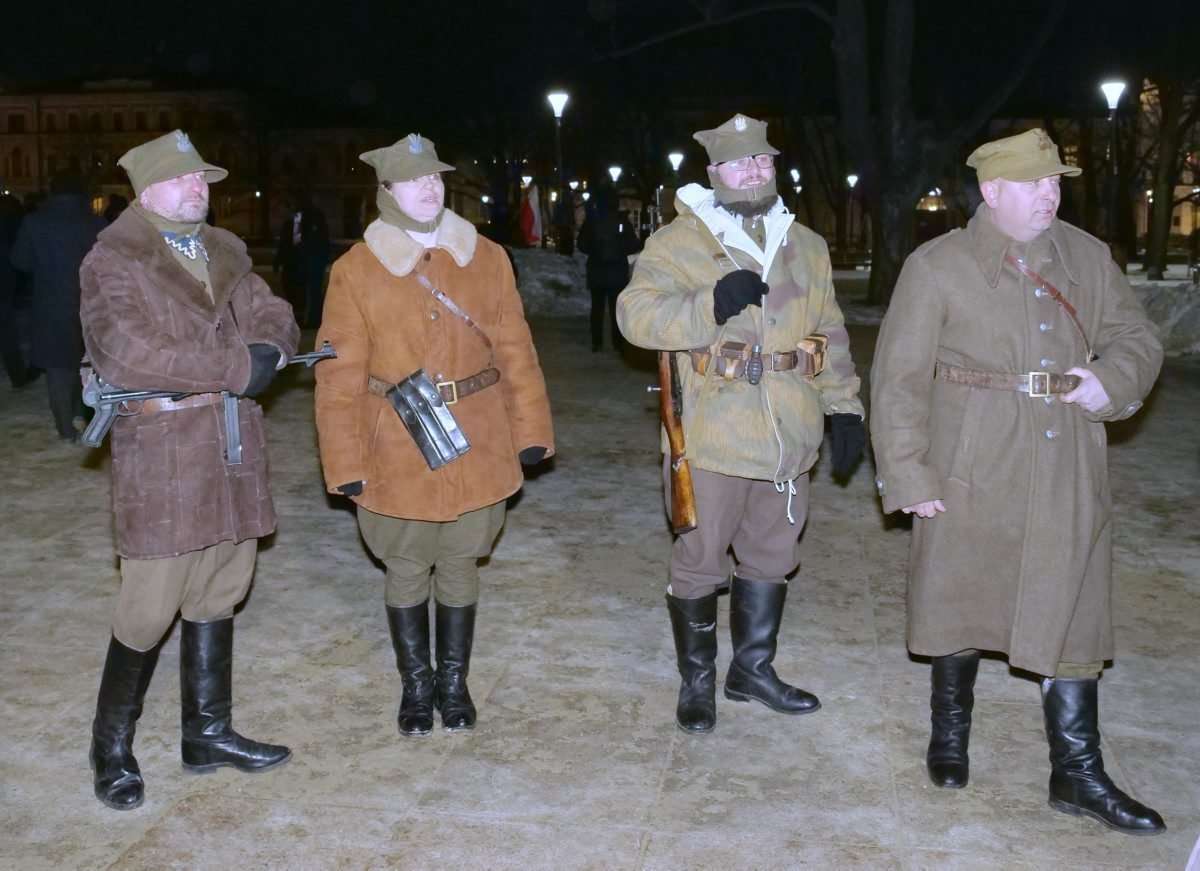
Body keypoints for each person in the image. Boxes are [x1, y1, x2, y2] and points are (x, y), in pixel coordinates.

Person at [870, 128, 1165, 834]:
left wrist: (1112, 381)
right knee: (962, 598)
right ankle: (949, 731)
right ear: (993, 191)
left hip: (1064, 460)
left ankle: (1078, 771)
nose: (1050, 194)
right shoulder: (937, 267)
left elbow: (1137, 338)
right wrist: (909, 472)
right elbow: (898, 380)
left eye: (1055, 181)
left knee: (1075, 610)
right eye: (1034, 183)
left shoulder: (1086, 258)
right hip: (971, 459)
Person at [616, 114, 867, 734]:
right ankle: (697, 682)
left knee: (773, 555)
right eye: (739, 162)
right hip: (714, 433)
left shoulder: (805, 244)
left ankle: (751, 670)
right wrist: (710, 304)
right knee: (700, 559)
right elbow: (634, 316)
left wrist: (843, 405)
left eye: (763, 160)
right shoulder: (679, 243)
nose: (753, 170)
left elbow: (827, 331)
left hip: (789, 432)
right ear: (714, 173)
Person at [79, 130, 300, 811]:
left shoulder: (226, 251)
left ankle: (206, 732)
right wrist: (238, 366)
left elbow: (274, 312)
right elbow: (124, 349)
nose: (199, 187)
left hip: (231, 445)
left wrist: (270, 345)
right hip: (166, 449)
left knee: (222, 584)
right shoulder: (112, 260)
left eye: (203, 177)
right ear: (146, 191)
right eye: (183, 179)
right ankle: (110, 746)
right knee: (149, 602)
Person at [314, 134, 554, 737]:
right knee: (405, 565)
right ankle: (416, 688)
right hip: (396, 440)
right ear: (386, 191)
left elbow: (516, 350)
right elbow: (338, 376)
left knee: (462, 562)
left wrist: (531, 428)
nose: (429, 188)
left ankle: (455, 684)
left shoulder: (488, 258)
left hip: (477, 434)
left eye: (436, 178)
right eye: (414, 180)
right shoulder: (354, 271)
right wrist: (343, 459)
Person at [11, 174, 106, 439]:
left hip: (49, 305)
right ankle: (83, 414)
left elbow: (20, 261)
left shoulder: (34, 222)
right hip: (91, 306)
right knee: (86, 363)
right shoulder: (96, 223)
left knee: (57, 368)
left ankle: (65, 429)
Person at [577, 185, 639, 352]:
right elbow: (633, 244)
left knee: (596, 308)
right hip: (617, 271)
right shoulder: (622, 221)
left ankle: (597, 342)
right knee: (616, 309)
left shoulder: (592, 221)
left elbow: (581, 244)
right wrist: (619, 250)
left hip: (596, 271)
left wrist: (595, 250)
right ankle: (617, 343)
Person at [274, 192, 331, 328]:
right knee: (297, 291)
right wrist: (278, 262)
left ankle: (314, 320)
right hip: (297, 263)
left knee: (313, 292)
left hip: (312, 260)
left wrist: (320, 258)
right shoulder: (290, 223)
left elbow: (320, 240)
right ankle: (300, 319)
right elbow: (285, 244)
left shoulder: (313, 217)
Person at [0, 192, 34, 388]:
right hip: (5, 285)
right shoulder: (15, 224)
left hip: (6, 284)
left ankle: (17, 376)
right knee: (7, 334)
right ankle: (17, 377)